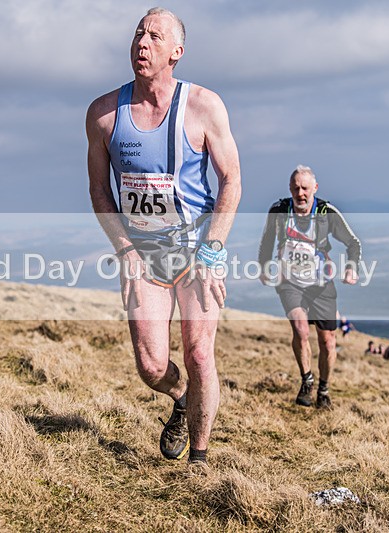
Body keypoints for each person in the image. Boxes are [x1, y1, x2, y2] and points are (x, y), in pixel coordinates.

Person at [86, 7, 241, 466]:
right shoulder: (103, 115)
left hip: (198, 251)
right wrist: (125, 249)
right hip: (144, 257)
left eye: (154, 36)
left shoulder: (204, 107)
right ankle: (180, 399)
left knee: (197, 352)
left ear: (177, 52)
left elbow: (231, 180)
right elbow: (99, 189)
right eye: (138, 34)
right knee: (152, 366)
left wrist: (214, 248)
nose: (142, 43)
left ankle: (199, 459)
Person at [258, 165, 361, 409]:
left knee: (327, 342)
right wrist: (264, 265)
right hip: (289, 283)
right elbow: (267, 240)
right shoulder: (279, 211)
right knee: (301, 330)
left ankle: (323, 389)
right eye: (295, 188)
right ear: (290, 189)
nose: (300, 193)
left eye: (305, 188)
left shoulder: (326, 212)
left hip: (321, 284)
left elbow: (353, 243)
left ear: (315, 188)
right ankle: (307, 380)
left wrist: (352, 268)